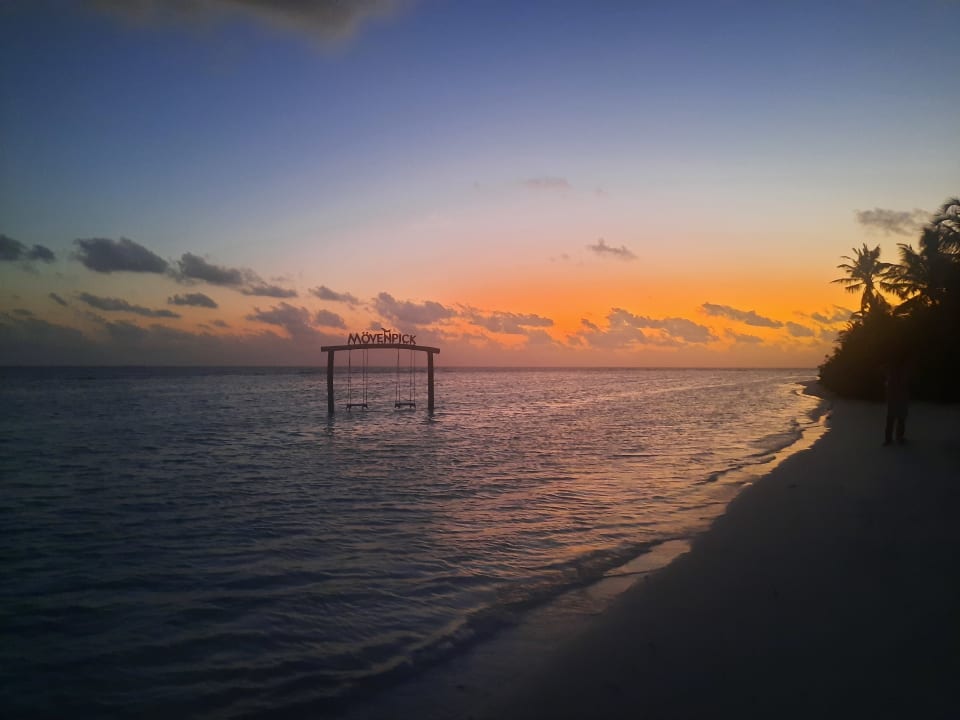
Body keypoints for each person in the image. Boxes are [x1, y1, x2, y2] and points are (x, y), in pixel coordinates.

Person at [883, 355, 909, 446]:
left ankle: (890, 439)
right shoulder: (902, 373)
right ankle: (897, 438)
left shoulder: (891, 373)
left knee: (892, 420)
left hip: (895, 400)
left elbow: (888, 386)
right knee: (898, 419)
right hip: (898, 399)